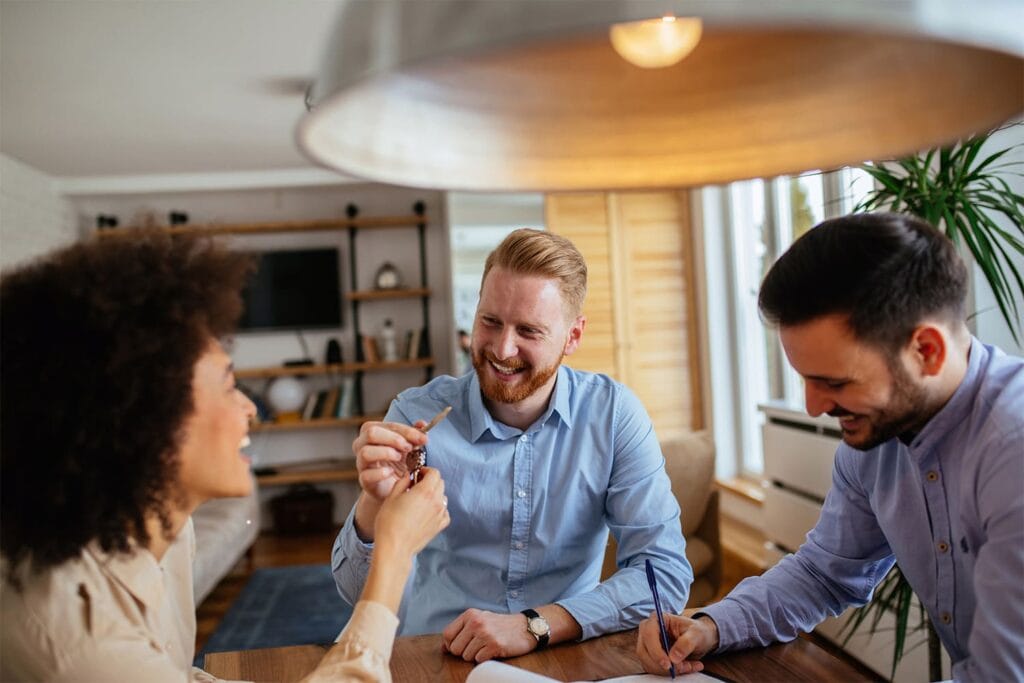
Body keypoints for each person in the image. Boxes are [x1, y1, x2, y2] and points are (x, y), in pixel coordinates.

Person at [0, 233, 450, 683]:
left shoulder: (161, 533)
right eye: (228, 385)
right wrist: (395, 549)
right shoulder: (76, 644)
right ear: (145, 419)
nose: (250, 408)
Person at [636, 213, 1024, 681]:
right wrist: (710, 625)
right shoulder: (874, 444)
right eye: (804, 380)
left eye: (834, 382)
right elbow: (823, 573)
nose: (815, 406)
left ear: (927, 351)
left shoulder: (1013, 450)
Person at [333, 228, 692, 663]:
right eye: (490, 321)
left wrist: (535, 625)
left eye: (529, 330)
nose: (502, 349)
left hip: (563, 654)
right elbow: (355, 593)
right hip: (433, 656)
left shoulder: (613, 416)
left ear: (573, 337)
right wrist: (374, 506)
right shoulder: (415, 415)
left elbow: (663, 575)